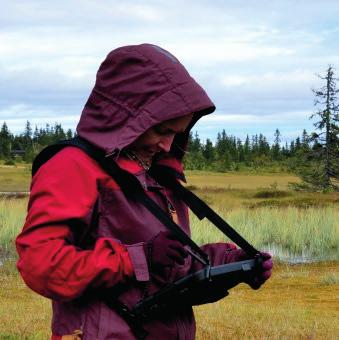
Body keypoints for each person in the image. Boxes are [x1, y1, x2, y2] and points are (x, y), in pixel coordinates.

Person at [16, 43, 273, 340]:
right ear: (127, 116)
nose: (167, 144)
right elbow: (41, 264)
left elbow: (170, 264)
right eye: (161, 130)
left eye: (176, 133)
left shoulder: (157, 173)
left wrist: (233, 264)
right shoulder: (73, 167)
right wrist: (138, 259)